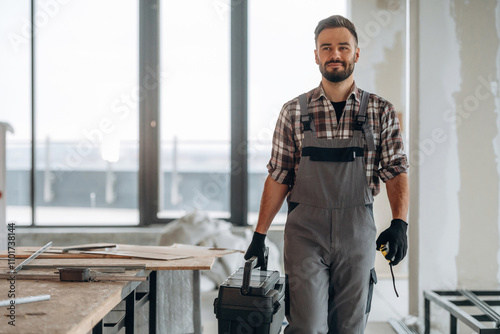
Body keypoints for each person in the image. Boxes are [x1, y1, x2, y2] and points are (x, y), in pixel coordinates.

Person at [244, 14, 409, 334]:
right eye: (327, 47)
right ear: (316, 55)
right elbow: (279, 176)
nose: (335, 54)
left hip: (356, 232)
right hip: (306, 235)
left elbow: (396, 170)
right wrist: (259, 235)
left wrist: (400, 223)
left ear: (356, 53)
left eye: (343, 47)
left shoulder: (380, 110)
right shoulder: (294, 111)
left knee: (349, 327)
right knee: (307, 326)